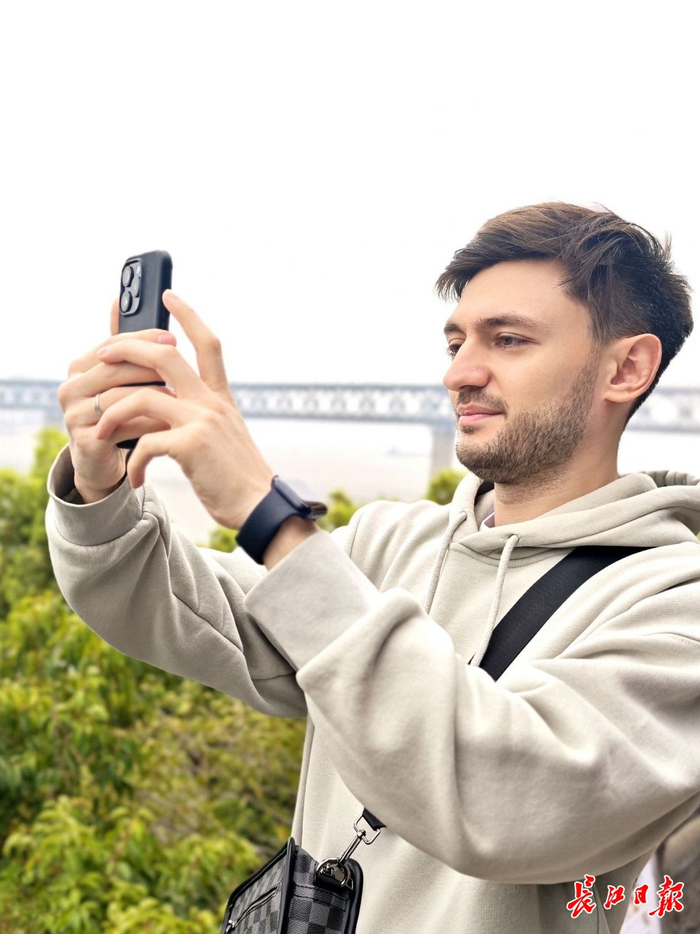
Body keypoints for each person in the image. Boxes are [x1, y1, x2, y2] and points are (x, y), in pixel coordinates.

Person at [45, 201, 700, 934]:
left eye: (508, 340)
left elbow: (502, 800)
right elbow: (173, 610)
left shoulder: (675, 604)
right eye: (455, 342)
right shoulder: (391, 543)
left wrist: (271, 519)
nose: (461, 373)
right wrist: (100, 487)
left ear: (628, 367)